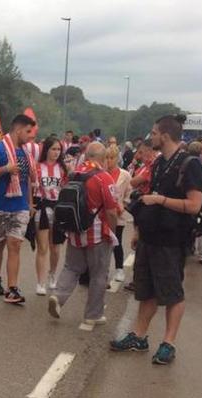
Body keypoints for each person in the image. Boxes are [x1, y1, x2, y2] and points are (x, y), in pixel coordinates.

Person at [110, 115, 202, 365]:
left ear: (165, 134)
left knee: (172, 292)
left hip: (173, 240)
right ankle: (139, 336)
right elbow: (150, 197)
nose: (150, 137)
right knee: (146, 290)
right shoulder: (160, 162)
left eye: (153, 133)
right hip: (151, 236)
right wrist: (139, 230)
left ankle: (168, 343)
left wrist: (161, 200)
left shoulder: (189, 164)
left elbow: (195, 205)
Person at [48, 143, 119, 331]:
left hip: (74, 230)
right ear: (103, 158)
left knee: (71, 267)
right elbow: (111, 211)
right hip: (96, 232)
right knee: (98, 273)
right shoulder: (104, 177)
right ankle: (92, 315)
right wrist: (111, 232)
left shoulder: (74, 174)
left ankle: (59, 296)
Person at [0, 114, 37, 304]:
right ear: (18, 129)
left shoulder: (26, 153)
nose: (31, 136)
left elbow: (27, 179)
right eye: (28, 132)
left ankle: (12, 288)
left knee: (15, 245)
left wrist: (29, 203)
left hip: (19, 205)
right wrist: (5, 169)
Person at [33, 136, 67, 294]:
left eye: (58, 149)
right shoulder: (38, 167)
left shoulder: (63, 168)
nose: (56, 152)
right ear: (46, 149)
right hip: (42, 208)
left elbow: (66, 188)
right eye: (53, 149)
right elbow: (31, 186)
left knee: (56, 247)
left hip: (58, 209)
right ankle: (40, 282)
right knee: (42, 247)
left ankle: (52, 275)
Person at [106, 143, 132, 280]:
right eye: (107, 157)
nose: (108, 160)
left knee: (117, 241)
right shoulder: (102, 173)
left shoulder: (125, 175)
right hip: (104, 214)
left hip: (118, 214)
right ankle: (102, 269)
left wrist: (124, 205)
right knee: (104, 244)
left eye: (111, 157)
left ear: (117, 158)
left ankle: (119, 268)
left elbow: (129, 193)